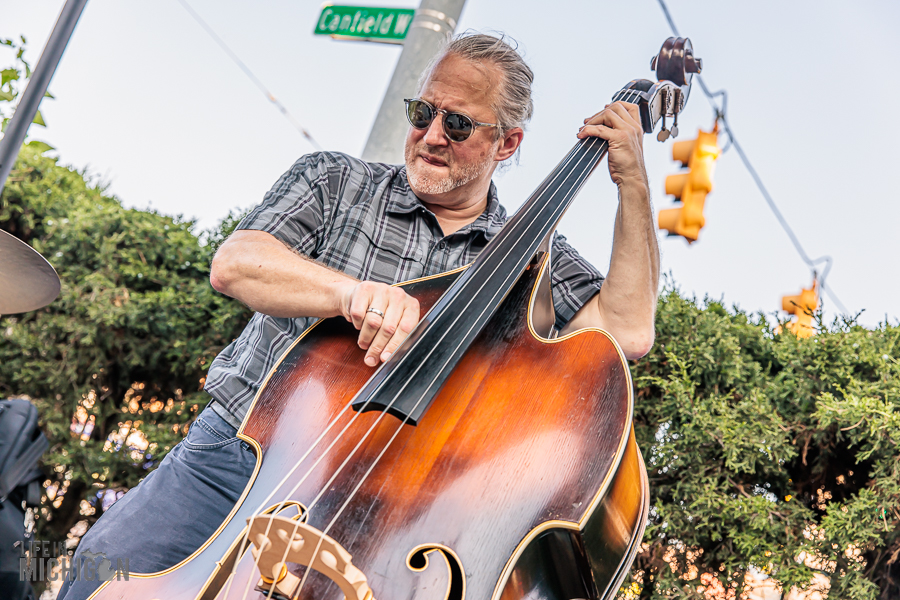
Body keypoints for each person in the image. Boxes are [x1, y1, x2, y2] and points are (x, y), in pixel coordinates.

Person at [58, 32, 658, 600]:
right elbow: (238, 263)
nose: (430, 135)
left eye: (457, 123)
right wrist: (349, 293)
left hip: (390, 512)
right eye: (422, 112)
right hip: (241, 457)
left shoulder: (532, 264)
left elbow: (626, 331)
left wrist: (632, 183)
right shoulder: (337, 181)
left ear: (507, 143)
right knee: (103, 569)